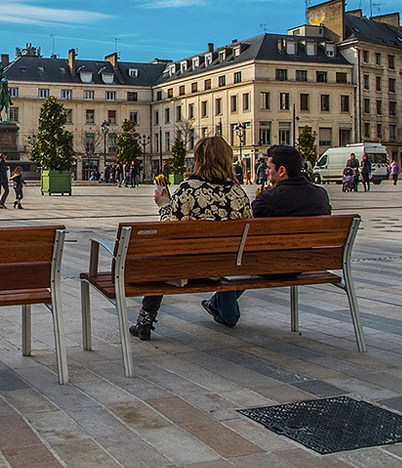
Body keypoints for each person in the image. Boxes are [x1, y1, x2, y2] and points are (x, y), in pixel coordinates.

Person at [129, 137, 252, 342]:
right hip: (225, 266)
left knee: (159, 257)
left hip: (186, 268)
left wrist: (163, 203)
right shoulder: (238, 192)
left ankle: (145, 320)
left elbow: (171, 227)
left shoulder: (188, 189)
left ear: (198, 160)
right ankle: (227, 312)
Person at [203, 144, 331, 329]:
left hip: (271, 264)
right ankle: (215, 304)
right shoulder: (320, 194)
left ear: (282, 170)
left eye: (269, 169)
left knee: (234, 259)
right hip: (305, 263)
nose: (267, 173)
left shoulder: (269, 198)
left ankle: (227, 313)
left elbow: (243, 228)